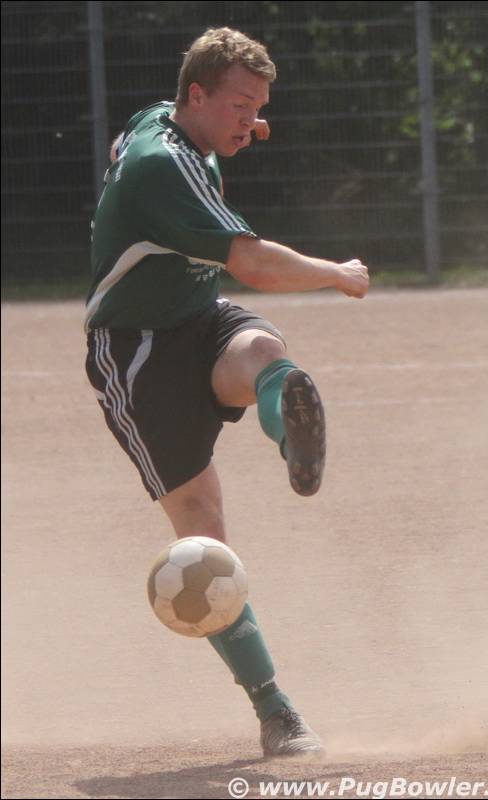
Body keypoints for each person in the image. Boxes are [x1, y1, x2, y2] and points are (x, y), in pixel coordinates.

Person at [85, 27, 369, 757]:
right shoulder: (162, 166)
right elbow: (254, 264)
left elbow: (174, 128)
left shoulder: (170, 117)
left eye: (258, 107)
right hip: (137, 355)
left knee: (267, 354)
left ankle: (289, 423)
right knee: (205, 541)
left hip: (198, 317)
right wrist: (336, 273)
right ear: (197, 95)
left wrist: (240, 125)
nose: (251, 119)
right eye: (240, 105)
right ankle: (274, 707)